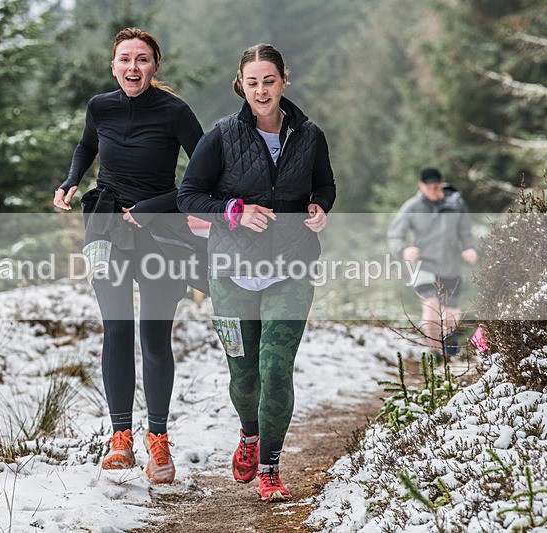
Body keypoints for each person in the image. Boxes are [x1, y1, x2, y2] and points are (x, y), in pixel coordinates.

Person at [177, 44, 335, 502]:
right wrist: (234, 210)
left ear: (285, 80)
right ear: (240, 85)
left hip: (292, 267)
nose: (261, 90)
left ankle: (269, 465)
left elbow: (325, 185)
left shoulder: (310, 135)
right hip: (230, 273)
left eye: (269, 80)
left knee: (275, 367)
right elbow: (188, 195)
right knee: (244, 378)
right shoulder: (221, 136)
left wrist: (320, 207)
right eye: (252, 82)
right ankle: (249, 432)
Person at [53, 27, 203, 484]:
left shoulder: (175, 111)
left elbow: (203, 175)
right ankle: (120, 438)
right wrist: (72, 178)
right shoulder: (100, 106)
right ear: (113, 65)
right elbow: (87, 144)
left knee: (154, 336)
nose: (132, 67)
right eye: (124, 59)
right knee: (115, 327)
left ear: (155, 67)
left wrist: (155, 207)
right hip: (105, 224)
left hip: (160, 231)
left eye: (142, 59)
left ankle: (157, 440)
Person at [387, 167, 478, 362]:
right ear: (421, 186)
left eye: (437, 187)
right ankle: (436, 353)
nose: (434, 192)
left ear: (442, 183)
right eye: (429, 188)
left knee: (450, 312)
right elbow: (395, 235)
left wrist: (470, 248)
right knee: (430, 304)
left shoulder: (456, 204)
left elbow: (466, 231)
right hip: (423, 266)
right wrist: (404, 250)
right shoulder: (412, 207)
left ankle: (448, 340)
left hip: (450, 265)